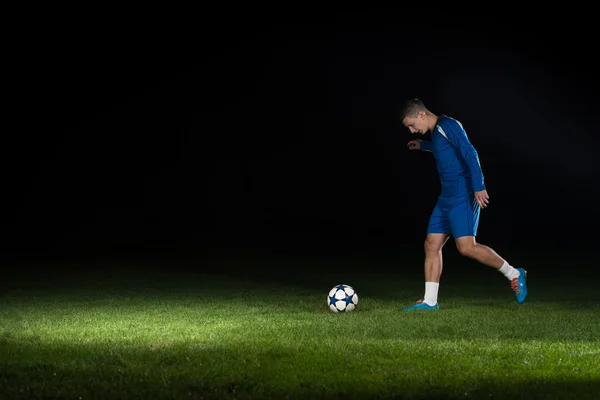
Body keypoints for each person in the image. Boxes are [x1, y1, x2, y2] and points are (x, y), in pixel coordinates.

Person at [400, 98, 527, 311]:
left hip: (463, 194)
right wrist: (423, 146)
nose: (412, 130)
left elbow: (470, 153)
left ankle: (514, 274)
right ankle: (430, 301)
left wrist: (478, 186)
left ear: (421, 114)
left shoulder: (448, 125)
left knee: (467, 248)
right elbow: (445, 150)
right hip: (446, 197)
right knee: (431, 244)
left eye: (412, 125)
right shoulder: (437, 132)